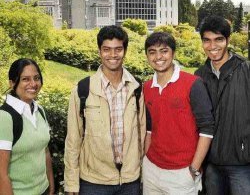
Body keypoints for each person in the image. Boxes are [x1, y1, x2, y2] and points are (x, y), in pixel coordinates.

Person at [64, 25, 146, 195]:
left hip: (130, 181)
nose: (113, 55)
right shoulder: (82, 90)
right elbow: (73, 139)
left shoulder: (136, 88)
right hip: (94, 182)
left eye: (118, 49)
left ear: (125, 51)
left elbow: (143, 136)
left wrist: (143, 175)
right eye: (107, 49)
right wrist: (72, 182)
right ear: (100, 51)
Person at [143, 32, 214, 195]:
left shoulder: (193, 83)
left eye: (164, 51)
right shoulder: (146, 87)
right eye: (152, 52)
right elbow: (149, 128)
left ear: (173, 53)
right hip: (151, 170)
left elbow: (207, 129)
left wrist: (194, 168)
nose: (158, 56)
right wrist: (145, 160)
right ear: (147, 56)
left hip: (182, 173)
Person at [195, 15, 250, 195]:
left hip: (241, 163)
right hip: (210, 164)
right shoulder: (199, 75)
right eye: (207, 40)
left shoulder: (245, 70)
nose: (212, 46)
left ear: (228, 40)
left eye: (218, 39)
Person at [0, 58, 54, 195]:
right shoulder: (4, 117)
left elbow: (45, 151)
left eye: (37, 78)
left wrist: (51, 186)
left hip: (44, 190)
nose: (33, 84)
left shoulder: (39, 110)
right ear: (12, 83)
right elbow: (1, 174)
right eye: (25, 79)